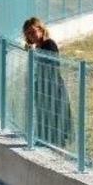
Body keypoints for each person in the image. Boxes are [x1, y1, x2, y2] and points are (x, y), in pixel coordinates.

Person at [23, 17, 73, 147]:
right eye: (28, 33)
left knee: (55, 117)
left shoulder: (49, 44)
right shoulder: (37, 47)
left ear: (40, 29)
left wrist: (34, 53)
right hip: (42, 86)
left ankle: (56, 146)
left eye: (33, 31)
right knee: (43, 115)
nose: (32, 35)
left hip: (53, 86)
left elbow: (52, 63)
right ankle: (45, 142)